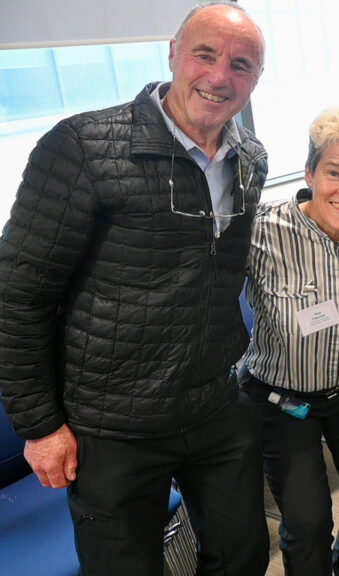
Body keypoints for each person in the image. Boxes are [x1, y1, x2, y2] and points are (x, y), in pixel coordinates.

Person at [0, 2, 269, 574]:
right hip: (111, 424)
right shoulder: (82, 148)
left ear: (255, 80)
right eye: (204, 54)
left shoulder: (250, 157)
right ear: (172, 53)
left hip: (213, 407)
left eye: (241, 65)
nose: (220, 76)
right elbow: (18, 295)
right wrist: (40, 425)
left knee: (243, 556)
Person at [238, 107, 339, 575]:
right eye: (334, 173)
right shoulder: (261, 232)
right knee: (306, 527)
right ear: (309, 173)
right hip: (280, 399)